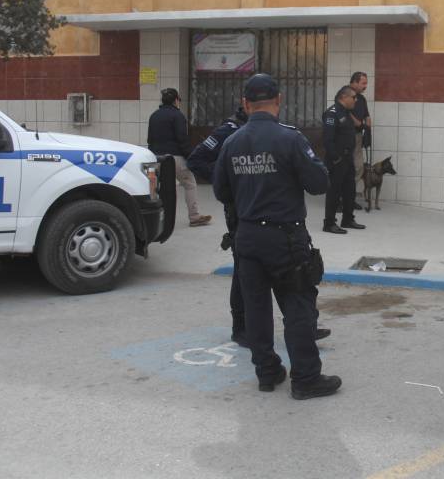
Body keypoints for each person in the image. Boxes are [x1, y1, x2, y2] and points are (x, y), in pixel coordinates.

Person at [213, 73, 341, 399]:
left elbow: (220, 191)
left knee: (256, 309)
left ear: (245, 103)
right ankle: (306, 379)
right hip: (286, 238)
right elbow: (319, 183)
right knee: (297, 307)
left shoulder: (232, 142)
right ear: (279, 100)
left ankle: (267, 372)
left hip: (248, 238)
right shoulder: (290, 139)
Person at [147, 88, 211, 227]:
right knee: (190, 183)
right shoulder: (178, 116)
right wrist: (191, 157)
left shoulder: (154, 116)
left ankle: (159, 219)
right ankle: (194, 217)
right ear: (176, 100)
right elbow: (182, 140)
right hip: (175, 158)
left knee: (159, 188)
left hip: (157, 158)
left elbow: (149, 140)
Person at [322, 86, 366, 234]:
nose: (355, 100)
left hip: (348, 158)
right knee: (334, 191)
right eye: (353, 97)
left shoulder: (347, 113)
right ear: (343, 97)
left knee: (350, 190)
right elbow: (328, 140)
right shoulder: (332, 113)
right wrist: (336, 158)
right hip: (337, 159)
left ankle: (347, 219)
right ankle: (329, 223)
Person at [349, 71, 371, 209]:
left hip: (357, 136)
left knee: (358, 167)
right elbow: (346, 112)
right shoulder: (345, 94)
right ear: (355, 82)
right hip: (346, 136)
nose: (365, 86)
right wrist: (359, 123)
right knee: (347, 168)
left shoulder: (361, 99)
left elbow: (367, 115)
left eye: (366, 83)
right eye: (363, 83)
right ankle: (341, 198)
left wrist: (367, 125)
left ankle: (349, 197)